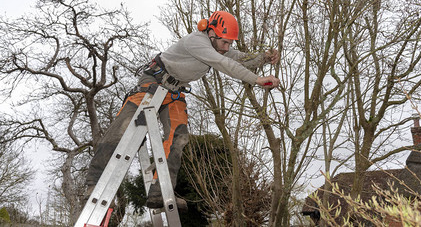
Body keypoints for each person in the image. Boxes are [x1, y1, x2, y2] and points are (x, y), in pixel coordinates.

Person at [84, 11, 280, 210]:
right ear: (211, 32)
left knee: (179, 137)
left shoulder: (218, 47)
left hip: (174, 92)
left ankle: (159, 192)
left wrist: (264, 57)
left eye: (230, 43)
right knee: (123, 128)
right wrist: (256, 80)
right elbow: (225, 64)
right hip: (153, 82)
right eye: (225, 43)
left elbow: (239, 58)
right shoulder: (197, 42)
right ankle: (94, 183)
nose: (227, 47)